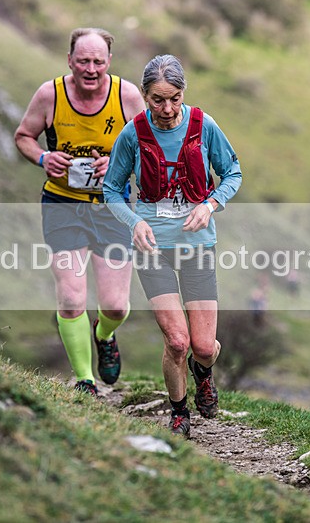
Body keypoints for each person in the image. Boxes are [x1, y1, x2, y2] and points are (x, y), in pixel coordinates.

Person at [103, 54, 242, 437]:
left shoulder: (204, 126)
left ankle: (204, 373)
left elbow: (232, 173)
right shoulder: (132, 134)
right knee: (177, 341)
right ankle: (179, 412)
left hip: (197, 245)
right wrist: (134, 223)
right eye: (157, 100)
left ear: (184, 94)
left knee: (202, 346)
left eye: (174, 99)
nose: (166, 109)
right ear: (145, 96)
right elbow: (111, 189)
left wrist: (210, 205)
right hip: (153, 248)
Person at [14, 28, 146, 396]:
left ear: (109, 63)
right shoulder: (49, 95)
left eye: (98, 62)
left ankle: (104, 334)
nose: (91, 69)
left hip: (113, 208)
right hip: (62, 205)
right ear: (69, 60)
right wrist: (43, 157)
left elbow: (150, 148)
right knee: (71, 298)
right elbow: (23, 136)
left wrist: (120, 165)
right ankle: (85, 381)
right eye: (83, 61)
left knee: (116, 306)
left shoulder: (127, 96)